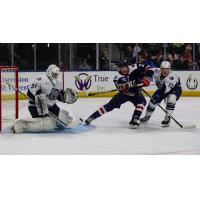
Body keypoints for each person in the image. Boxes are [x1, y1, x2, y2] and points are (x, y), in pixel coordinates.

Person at [84, 59, 154, 129]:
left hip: (136, 93)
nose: (123, 69)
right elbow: (121, 88)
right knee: (110, 106)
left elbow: (149, 68)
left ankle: (135, 119)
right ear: (119, 68)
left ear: (127, 66)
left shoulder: (135, 67)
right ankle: (92, 117)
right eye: (121, 68)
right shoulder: (117, 77)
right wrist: (126, 86)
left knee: (142, 102)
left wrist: (147, 78)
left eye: (125, 67)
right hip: (124, 94)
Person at [13, 64, 78, 133]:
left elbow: (58, 95)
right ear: (49, 72)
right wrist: (40, 103)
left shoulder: (58, 83)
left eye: (56, 74)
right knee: (47, 123)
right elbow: (30, 93)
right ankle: (20, 124)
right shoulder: (40, 80)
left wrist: (65, 97)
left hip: (52, 107)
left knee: (63, 116)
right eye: (54, 74)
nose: (55, 76)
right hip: (35, 107)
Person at [140, 61, 182, 127]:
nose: (165, 70)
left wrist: (157, 98)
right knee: (152, 102)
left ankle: (167, 118)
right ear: (160, 68)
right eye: (163, 69)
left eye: (167, 69)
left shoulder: (172, 77)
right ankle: (147, 116)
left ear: (169, 69)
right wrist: (142, 79)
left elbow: (164, 91)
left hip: (175, 89)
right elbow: (148, 71)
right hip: (163, 88)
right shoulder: (157, 71)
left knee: (171, 99)